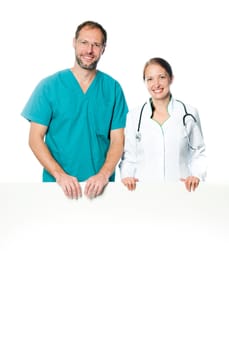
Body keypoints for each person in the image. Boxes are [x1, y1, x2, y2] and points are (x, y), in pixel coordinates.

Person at [21, 20, 128, 199]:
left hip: (102, 189)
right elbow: (35, 138)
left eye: (96, 44)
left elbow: (118, 140)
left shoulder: (113, 89)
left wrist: (103, 175)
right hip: (56, 187)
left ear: (103, 49)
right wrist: (59, 175)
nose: (89, 50)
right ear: (74, 43)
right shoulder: (49, 87)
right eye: (84, 42)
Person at [119, 57, 207, 192]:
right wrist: (127, 177)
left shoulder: (189, 113)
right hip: (144, 191)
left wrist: (196, 176)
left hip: (181, 190)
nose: (156, 84)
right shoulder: (134, 116)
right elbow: (129, 157)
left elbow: (198, 153)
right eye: (150, 79)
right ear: (145, 82)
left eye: (161, 77)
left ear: (171, 78)